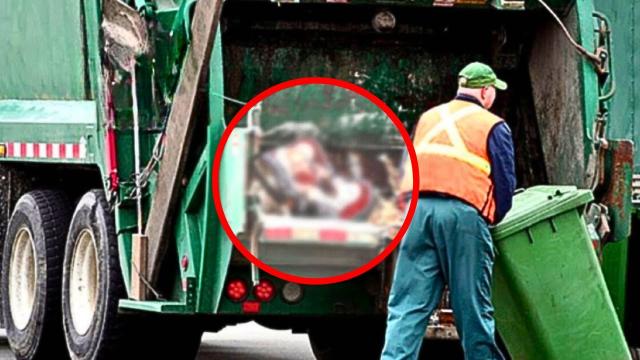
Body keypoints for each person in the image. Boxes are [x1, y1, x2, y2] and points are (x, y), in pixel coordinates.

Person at [381, 62, 516, 360]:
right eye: (494, 91)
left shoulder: (429, 118)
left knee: (407, 306)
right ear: (485, 91)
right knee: (472, 308)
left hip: (417, 214)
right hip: (462, 217)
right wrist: (493, 219)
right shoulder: (492, 124)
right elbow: (505, 184)